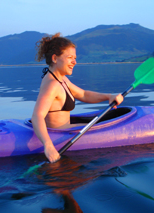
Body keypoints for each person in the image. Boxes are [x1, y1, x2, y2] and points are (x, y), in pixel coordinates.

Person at [32, 33, 124, 163]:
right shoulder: (52, 85)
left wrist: (109, 96)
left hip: (67, 130)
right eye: (70, 57)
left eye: (75, 58)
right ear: (55, 58)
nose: (74, 62)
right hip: (58, 136)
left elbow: (83, 94)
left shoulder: (61, 79)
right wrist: (48, 145)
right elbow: (37, 116)